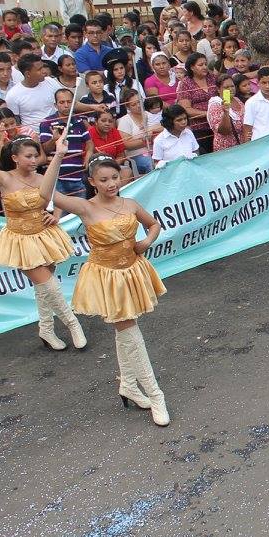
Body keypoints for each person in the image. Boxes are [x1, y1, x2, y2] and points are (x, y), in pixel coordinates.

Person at [53, 156, 168, 426]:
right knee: (130, 332)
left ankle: (128, 384)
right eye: (103, 180)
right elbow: (47, 194)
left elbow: (154, 224)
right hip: (106, 277)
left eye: (114, 178)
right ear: (92, 182)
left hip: (132, 271)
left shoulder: (130, 203)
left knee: (125, 330)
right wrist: (58, 156)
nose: (111, 184)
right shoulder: (85, 207)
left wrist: (146, 242)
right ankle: (156, 394)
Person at [0, 134, 86, 350]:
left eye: (36, 156)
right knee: (50, 286)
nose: (33, 160)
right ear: (15, 158)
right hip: (20, 240)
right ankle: (73, 324)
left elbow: (58, 199)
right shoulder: (4, 178)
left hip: (45, 236)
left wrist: (55, 215)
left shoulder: (41, 178)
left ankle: (46, 330)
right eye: (28, 156)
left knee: (43, 287)